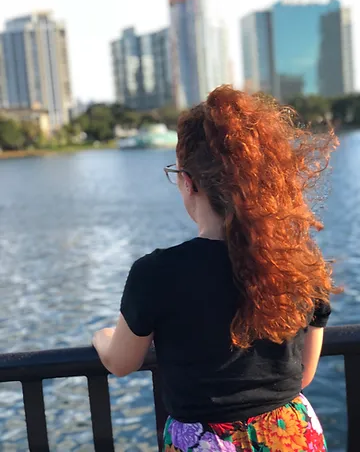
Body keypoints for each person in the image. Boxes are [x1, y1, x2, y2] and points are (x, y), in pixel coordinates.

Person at [92, 86, 341, 451]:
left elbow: (122, 362)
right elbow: (302, 374)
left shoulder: (157, 273)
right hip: (291, 435)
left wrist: (101, 337)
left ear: (188, 182)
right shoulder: (300, 261)